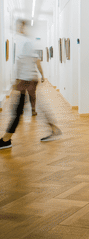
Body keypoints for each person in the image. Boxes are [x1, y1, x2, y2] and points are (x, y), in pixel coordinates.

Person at [1, 20, 61, 150]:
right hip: (26, 79)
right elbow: (31, 61)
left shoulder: (25, 42)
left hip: (26, 80)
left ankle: (6, 139)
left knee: (19, 109)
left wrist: (18, 80)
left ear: (23, 27)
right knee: (26, 107)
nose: (17, 28)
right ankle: (54, 129)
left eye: (19, 26)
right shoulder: (25, 41)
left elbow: (30, 61)